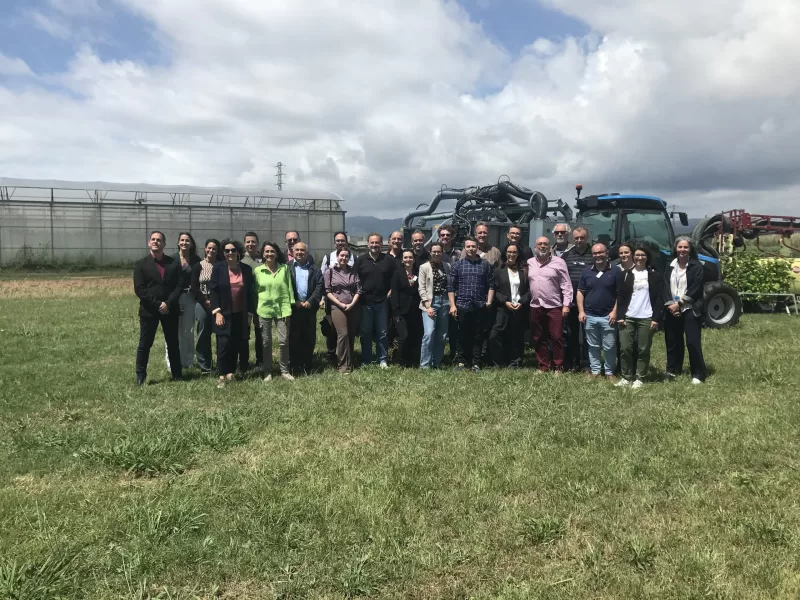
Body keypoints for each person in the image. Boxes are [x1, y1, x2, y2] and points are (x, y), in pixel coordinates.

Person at [133, 231, 184, 385]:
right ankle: (140, 375)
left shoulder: (173, 263)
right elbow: (140, 289)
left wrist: (168, 303)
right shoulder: (141, 264)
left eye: (159, 240)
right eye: (153, 239)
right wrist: (157, 304)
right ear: (149, 243)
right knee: (145, 344)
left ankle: (177, 374)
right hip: (149, 311)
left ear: (164, 244)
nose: (156, 242)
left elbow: (179, 285)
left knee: (173, 343)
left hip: (170, 309)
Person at [616, 244, 666, 388]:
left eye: (642, 255)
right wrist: (620, 315)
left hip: (646, 316)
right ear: (633, 256)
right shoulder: (625, 274)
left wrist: (656, 318)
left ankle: (640, 377)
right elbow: (620, 297)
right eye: (637, 255)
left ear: (647, 257)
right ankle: (626, 376)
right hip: (628, 316)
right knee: (625, 348)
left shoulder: (654, 275)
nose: (639, 257)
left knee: (643, 349)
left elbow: (659, 298)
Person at [209, 239, 255, 388]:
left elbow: (250, 292)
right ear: (223, 253)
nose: (230, 253)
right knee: (223, 344)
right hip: (223, 313)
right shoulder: (218, 268)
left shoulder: (246, 269)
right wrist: (217, 312)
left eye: (233, 250)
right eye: (227, 251)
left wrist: (249, 314)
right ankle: (222, 374)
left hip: (240, 313)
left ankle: (231, 371)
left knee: (236, 343)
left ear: (238, 252)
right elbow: (213, 291)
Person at [664, 237, 707, 384]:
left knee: (692, 342)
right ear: (675, 249)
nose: (682, 250)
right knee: (673, 341)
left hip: (690, 308)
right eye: (680, 247)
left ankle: (698, 373)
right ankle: (673, 370)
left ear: (690, 249)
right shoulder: (669, 265)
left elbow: (696, 287)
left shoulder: (697, 266)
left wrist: (680, 303)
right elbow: (665, 286)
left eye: (686, 247)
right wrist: (671, 305)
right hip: (672, 308)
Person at [448, 236, 495, 372]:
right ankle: (461, 362)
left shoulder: (485, 265)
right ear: (464, 248)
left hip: (479, 305)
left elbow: (491, 285)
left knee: (478, 335)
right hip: (462, 305)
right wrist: (452, 305)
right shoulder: (457, 265)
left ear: (477, 248)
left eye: (473, 246)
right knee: (462, 335)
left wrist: (489, 302)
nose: (470, 249)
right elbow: (451, 287)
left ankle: (476, 362)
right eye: (468, 246)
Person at [527, 236, 572, 373]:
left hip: (554, 305)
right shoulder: (530, 262)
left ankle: (558, 366)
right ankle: (543, 366)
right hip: (535, 305)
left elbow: (566, 284)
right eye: (540, 244)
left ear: (550, 247)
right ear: (535, 247)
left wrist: (566, 304)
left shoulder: (559, 262)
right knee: (538, 337)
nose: (542, 246)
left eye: (545, 244)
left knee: (556, 337)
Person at [253, 242, 295, 382]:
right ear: (263, 254)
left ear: (277, 254)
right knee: (266, 342)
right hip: (264, 309)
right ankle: (267, 371)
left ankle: (284, 370)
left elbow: (289, 287)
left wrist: (291, 304)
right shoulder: (258, 271)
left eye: (272, 251)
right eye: (267, 251)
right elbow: (255, 291)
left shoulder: (284, 269)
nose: (269, 254)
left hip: (283, 309)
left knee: (283, 341)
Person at [577, 243, 619, 380]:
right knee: (593, 346)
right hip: (590, 315)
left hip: (608, 316)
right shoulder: (587, 271)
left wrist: (614, 312)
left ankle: (609, 372)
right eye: (595, 253)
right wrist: (581, 311)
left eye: (600, 252)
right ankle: (595, 371)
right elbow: (580, 292)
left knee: (609, 346)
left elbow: (620, 294)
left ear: (606, 253)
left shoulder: (615, 270)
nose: (598, 255)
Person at [355, 233, 396, 367]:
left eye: (377, 242)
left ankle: (382, 359)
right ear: (368, 244)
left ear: (381, 244)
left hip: (382, 301)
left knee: (382, 332)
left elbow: (394, 278)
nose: (374, 245)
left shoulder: (388, 260)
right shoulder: (361, 260)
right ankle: (366, 359)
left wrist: (390, 292)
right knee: (365, 332)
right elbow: (355, 279)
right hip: (365, 302)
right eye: (372, 242)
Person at [490, 244, 530, 368]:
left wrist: (522, 302)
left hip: (519, 307)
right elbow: (495, 290)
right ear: (505, 253)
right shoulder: (499, 270)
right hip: (503, 307)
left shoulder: (524, 271)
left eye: (514, 252)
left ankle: (515, 362)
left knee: (516, 337)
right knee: (495, 335)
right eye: (509, 252)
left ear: (518, 254)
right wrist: (505, 301)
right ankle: (498, 362)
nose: (511, 254)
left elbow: (529, 290)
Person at [166, 232, 201, 371]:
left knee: (188, 330)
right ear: (178, 242)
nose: (184, 243)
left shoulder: (196, 260)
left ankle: (188, 361)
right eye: (182, 240)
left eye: (187, 240)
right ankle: (172, 362)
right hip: (175, 298)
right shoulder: (171, 259)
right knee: (173, 331)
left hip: (190, 297)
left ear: (191, 244)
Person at [288, 242, 324, 375]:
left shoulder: (315, 269)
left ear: (307, 252)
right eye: (297, 250)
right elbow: (285, 286)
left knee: (309, 337)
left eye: (302, 250)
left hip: (309, 309)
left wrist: (310, 301)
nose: (299, 252)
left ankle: (307, 365)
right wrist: (295, 301)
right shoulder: (286, 268)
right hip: (293, 308)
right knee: (293, 337)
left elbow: (319, 286)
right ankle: (294, 365)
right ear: (292, 252)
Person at [325, 248, 362, 373]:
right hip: (337, 307)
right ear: (337, 256)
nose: (344, 258)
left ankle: (350, 363)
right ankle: (342, 365)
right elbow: (328, 291)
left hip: (352, 306)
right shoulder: (330, 272)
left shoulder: (353, 272)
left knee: (351, 335)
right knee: (343, 334)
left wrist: (352, 304)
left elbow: (358, 290)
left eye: (346, 256)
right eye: (342, 255)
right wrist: (340, 304)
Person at [562, 227, 592, 372]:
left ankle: (587, 364)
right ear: (573, 239)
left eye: (582, 237)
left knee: (587, 335)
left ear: (587, 238)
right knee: (571, 333)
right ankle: (574, 363)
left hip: (590, 301)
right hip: (571, 302)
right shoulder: (567, 255)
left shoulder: (594, 254)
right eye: (577, 238)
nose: (579, 240)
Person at [320, 232, 353, 366]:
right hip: (332, 300)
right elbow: (323, 279)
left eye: (342, 240)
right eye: (337, 241)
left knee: (346, 330)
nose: (340, 242)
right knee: (332, 327)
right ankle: (331, 354)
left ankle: (348, 355)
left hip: (349, 301)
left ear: (346, 242)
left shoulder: (353, 257)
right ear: (334, 243)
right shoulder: (328, 257)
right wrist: (322, 298)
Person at [418, 242, 451, 369]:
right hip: (430, 302)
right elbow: (421, 288)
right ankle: (425, 364)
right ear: (430, 252)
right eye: (434, 251)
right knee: (429, 333)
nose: (436, 254)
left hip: (444, 301)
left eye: (439, 251)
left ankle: (436, 362)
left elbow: (449, 285)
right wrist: (427, 306)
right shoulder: (424, 267)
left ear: (442, 252)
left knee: (442, 335)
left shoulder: (447, 266)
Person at [190, 238, 220, 374]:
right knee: (203, 334)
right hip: (203, 303)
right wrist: (204, 301)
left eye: (214, 248)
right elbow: (194, 286)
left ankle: (221, 364)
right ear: (205, 249)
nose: (211, 250)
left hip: (218, 303)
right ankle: (205, 366)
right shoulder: (198, 266)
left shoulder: (221, 265)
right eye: (209, 248)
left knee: (220, 334)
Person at [391, 249, 423, 367]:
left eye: (410, 257)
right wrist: (396, 311)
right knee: (404, 336)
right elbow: (394, 292)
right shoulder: (397, 273)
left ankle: (411, 360)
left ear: (414, 259)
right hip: (401, 310)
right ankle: (401, 360)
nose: (408, 260)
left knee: (414, 335)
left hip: (416, 309)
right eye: (405, 257)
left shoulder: (419, 272)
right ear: (402, 260)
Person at [437, 223, 461, 360]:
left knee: (454, 327)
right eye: (442, 235)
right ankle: (437, 355)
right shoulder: (435, 252)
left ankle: (454, 354)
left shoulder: (458, 254)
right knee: (438, 327)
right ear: (439, 237)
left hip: (455, 294)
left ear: (452, 237)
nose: (445, 237)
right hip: (438, 295)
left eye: (448, 235)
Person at [241, 231, 263, 371]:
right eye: (248, 241)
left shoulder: (263, 259)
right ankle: (244, 362)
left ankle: (261, 361)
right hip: (246, 304)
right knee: (245, 334)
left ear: (257, 243)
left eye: (253, 241)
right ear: (244, 244)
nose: (251, 244)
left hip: (261, 303)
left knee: (261, 333)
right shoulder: (241, 260)